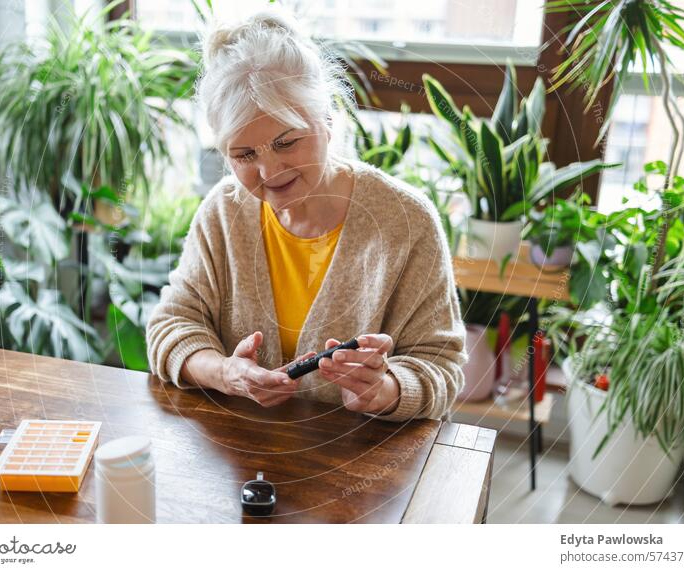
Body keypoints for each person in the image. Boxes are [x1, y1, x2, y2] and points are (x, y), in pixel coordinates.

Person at [146, 8, 467, 422]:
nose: (270, 172)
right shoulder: (224, 212)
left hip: (365, 466)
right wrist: (226, 373)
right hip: (240, 462)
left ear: (328, 120)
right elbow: (171, 325)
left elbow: (442, 367)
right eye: (244, 155)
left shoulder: (406, 222)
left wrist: (382, 389)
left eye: (286, 142)